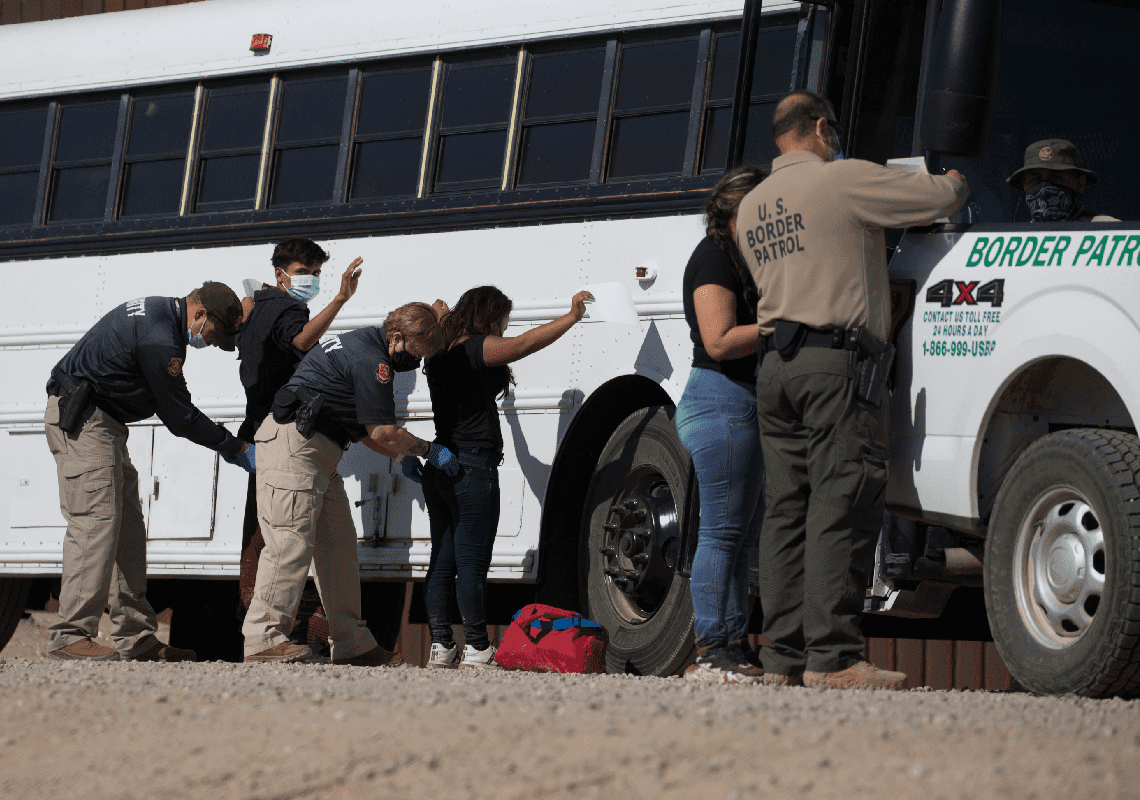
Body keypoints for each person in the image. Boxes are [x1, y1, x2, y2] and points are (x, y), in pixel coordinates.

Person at [736, 91, 969, 689]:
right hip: (834, 366)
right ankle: (834, 658)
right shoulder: (840, 180)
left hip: (775, 368)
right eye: (833, 131)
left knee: (786, 513)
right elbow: (937, 198)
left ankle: (782, 658)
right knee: (841, 504)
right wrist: (957, 179)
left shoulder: (751, 206)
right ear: (820, 128)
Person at [44, 282, 254, 662]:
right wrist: (234, 446)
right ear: (200, 314)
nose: (210, 343)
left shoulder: (161, 316)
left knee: (126, 527)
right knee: (95, 522)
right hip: (85, 420)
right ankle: (70, 635)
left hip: (103, 423)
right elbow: (179, 416)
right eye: (213, 335)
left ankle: (135, 637)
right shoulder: (161, 339)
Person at [242, 301, 448, 665]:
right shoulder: (373, 361)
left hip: (316, 451)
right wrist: (430, 451)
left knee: (338, 547)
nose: (415, 362)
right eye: (416, 353)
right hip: (296, 448)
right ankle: (263, 639)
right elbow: (382, 431)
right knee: (289, 543)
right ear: (397, 337)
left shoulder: (363, 343)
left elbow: (366, 432)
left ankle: (352, 643)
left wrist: (402, 458)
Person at [415, 286, 592, 670]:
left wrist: (442, 316)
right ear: (489, 317)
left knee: (442, 562)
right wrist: (571, 317)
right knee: (471, 564)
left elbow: (444, 320)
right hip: (471, 468)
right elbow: (524, 344)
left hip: (440, 466)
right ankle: (478, 648)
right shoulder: (474, 348)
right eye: (502, 321)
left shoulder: (438, 351)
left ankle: (442, 646)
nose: (504, 329)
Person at [235, 239, 363, 613]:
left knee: (260, 530)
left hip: (258, 428)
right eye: (303, 272)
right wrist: (339, 299)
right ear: (281, 274)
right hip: (283, 433)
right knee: (283, 535)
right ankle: (266, 623)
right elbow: (302, 340)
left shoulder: (258, 305)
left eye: (316, 272)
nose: (311, 279)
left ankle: (252, 616)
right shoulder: (288, 306)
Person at [675, 165, 767, 684]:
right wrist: (780, 324)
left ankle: (731, 645)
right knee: (722, 534)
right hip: (721, 401)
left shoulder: (739, 256)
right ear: (738, 209)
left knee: (739, 537)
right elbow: (718, 340)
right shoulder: (714, 256)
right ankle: (712, 649)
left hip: (735, 402)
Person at [1007, 138, 1118, 223]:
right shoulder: (1013, 239)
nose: (1044, 188)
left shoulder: (1110, 231)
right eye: (1035, 179)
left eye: (1056, 177)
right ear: (1024, 185)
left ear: (1080, 184)